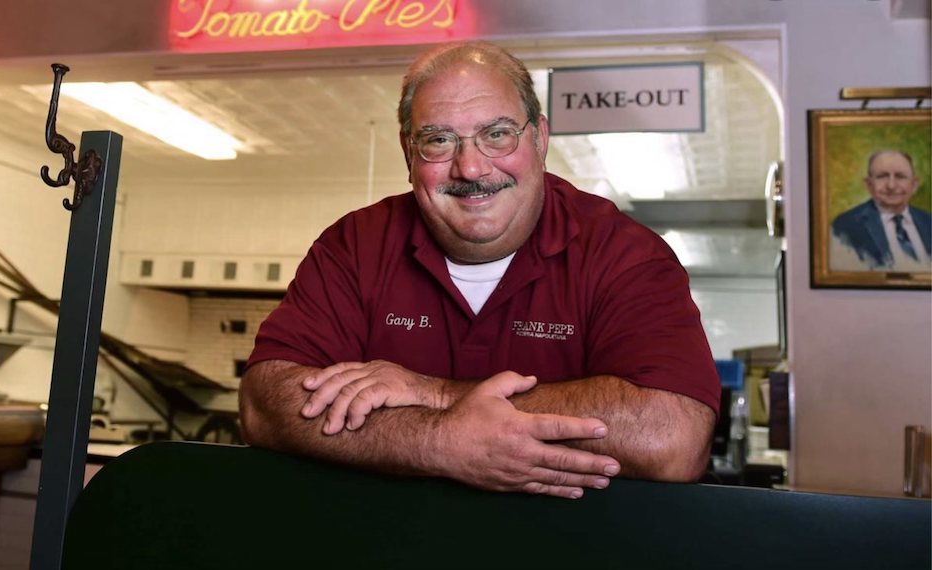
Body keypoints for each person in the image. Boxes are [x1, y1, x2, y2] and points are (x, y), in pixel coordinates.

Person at [240, 41, 720, 500]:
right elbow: (265, 405)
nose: (470, 168)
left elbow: (671, 438)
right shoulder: (354, 246)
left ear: (540, 137)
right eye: (439, 140)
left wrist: (437, 396)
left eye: (496, 134)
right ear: (409, 153)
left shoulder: (623, 253)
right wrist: (435, 442)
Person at [830, 149, 931, 272]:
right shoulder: (846, 227)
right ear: (868, 185)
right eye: (882, 176)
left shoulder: (928, 221)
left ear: (914, 185)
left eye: (900, 176)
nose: (891, 186)